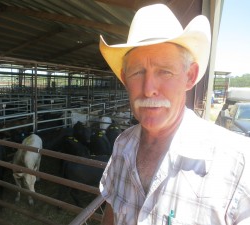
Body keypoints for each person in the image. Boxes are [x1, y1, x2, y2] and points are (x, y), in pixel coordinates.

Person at [98, 4, 250, 225]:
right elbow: (111, 216)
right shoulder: (122, 145)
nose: (149, 88)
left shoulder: (238, 165)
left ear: (190, 76)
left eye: (165, 71)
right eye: (138, 72)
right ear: (124, 78)